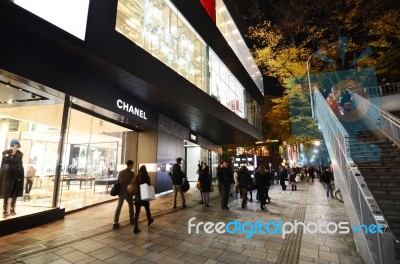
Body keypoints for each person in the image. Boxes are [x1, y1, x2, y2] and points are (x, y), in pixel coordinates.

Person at [0, 139, 24, 218]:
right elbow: (4, 162)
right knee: (6, 191)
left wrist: (21, 174)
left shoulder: (20, 154)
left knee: (15, 192)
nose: (16, 147)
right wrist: (12, 154)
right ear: (12, 145)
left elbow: (20, 165)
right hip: (8, 176)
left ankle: (12, 208)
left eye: (17, 146)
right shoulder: (6, 153)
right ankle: (4, 210)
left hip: (16, 176)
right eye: (15, 145)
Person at [112, 160, 135, 229]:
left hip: (121, 192)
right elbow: (131, 183)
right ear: (130, 165)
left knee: (119, 206)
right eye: (132, 165)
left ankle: (115, 222)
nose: (133, 166)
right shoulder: (131, 173)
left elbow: (118, 181)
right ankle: (132, 220)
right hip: (127, 192)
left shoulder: (121, 172)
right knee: (131, 206)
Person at [133, 165, 154, 234]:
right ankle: (149, 220)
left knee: (137, 213)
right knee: (147, 209)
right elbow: (149, 185)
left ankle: (135, 227)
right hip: (144, 196)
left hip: (138, 197)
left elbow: (135, 185)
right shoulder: (146, 177)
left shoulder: (137, 176)